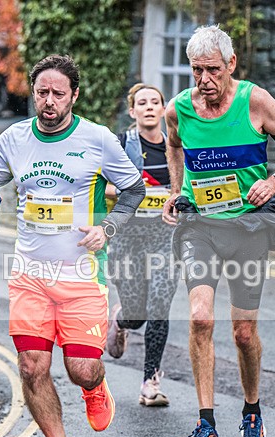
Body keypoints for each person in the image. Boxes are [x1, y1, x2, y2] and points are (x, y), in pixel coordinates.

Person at [0, 55, 146, 437]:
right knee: (31, 366)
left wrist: (107, 227)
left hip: (82, 275)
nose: (48, 102)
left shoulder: (98, 138)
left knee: (80, 368)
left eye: (57, 94)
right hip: (29, 273)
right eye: (42, 93)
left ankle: (94, 387)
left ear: (74, 96)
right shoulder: (13, 139)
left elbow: (134, 188)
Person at [161, 26, 275, 437]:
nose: (204, 80)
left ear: (231, 65)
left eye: (212, 70)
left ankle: (251, 412)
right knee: (201, 319)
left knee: (244, 333)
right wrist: (176, 191)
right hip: (200, 228)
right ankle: (206, 427)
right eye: (196, 71)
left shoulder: (255, 101)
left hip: (248, 229)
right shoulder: (179, 110)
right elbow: (173, 148)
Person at [105, 83, 179, 407]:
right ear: (132, 111)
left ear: (163, 109)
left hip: (165, 237)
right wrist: (139, 194)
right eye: (142, 103)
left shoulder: (176, 147)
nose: (149, 107)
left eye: (155, 102)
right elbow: (103, 186)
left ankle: (151, 381)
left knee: (160, 305)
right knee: (138, 314)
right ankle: (122, 320)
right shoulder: (121, 145)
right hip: (128, 238)